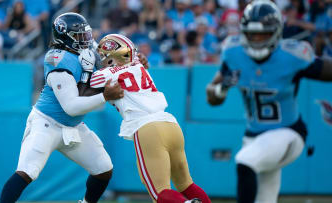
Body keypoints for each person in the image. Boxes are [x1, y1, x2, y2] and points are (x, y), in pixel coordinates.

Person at [206, 1, 332, 203]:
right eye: (252, 34)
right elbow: (211, 94)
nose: (257, 40)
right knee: (265, 199)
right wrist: (220, 90)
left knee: (244, 161)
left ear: (276, 32)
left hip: (288, 133)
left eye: (263, 34)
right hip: (253, 137)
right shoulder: (234, 53)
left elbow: (327, 70)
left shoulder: (292, 55)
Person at [0, 12, 123, 203]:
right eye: (80, 36)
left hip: (73, 127)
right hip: (46, 123)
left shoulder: (87, 50)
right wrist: (104, 96)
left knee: (103, 169)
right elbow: (71, 107)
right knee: (27, 172)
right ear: (65, 36)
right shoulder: (58, 58)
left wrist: (135, 64)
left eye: (86, 34)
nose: (86, 39)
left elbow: (112, 64)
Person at [83, 34, 211, 203]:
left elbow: (91, 80)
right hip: (170, 123)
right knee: (186, 184)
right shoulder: (137, 64)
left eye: (103, 56)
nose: (101, 60)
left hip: (147, 128)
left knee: (159, 193)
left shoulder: (106, 73)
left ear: (111, 56)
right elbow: (135, 60)